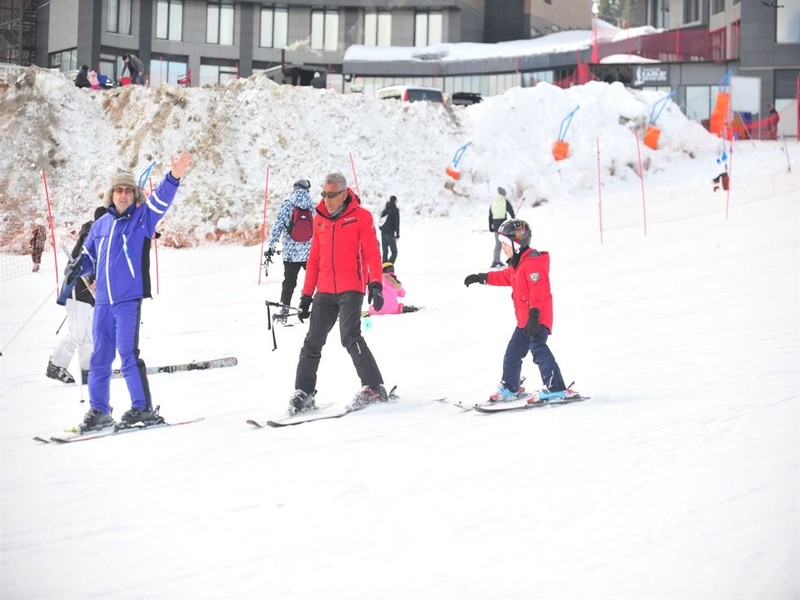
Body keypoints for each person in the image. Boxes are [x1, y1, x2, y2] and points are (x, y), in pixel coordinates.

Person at [58, 151, 193, 430]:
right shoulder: (100, 226)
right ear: (111, 195)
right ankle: (99, 410)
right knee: (99, 356)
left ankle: (142, 408)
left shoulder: (142, 219)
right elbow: (89, 259)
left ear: (134, 196)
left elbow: (161, 201)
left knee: (128, 353)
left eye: (127, 191)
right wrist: (77, 267)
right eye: (118, 190)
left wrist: (174, 176)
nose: (122, 195)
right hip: (103, 301)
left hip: (127, 300)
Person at [289, 171, 388, 414]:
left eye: (331, 194)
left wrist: (375, 283)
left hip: (351, 288)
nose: (326, 198)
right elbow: (314, 258)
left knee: (350, 337)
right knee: (312, 342)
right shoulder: (319, 217)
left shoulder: (361, 217)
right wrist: (305, 295)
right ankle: (304, 392)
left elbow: (371, 253)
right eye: (323, 193)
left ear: (344, 194)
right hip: (324, 289)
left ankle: (374, 387)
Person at [464, 218, 566, 400]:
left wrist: (534, 317)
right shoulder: (516, 265)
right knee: (512, 353)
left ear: (517, 243)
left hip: (537, 319)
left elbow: (538, 291)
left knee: (538, 349)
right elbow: (503, 277)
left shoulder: (532, 264)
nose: (502, 247)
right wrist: (481, 277)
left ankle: (556, 387)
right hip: (524, 321)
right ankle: (511, 387)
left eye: (505, 243)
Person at [47, 206, 107, 385]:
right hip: (76, 292)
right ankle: (56, 365)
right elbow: (83, 260)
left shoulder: (99, 236)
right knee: (78, 335)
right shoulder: (90, 236)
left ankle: (87, 370)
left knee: (89, 335)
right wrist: (94, 276)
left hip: (88, 296)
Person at [266, 179, 315, 322]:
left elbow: (277, 226)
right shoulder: (313, 206)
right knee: (315, 280)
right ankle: (323, 307)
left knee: (289, 282)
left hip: (290, 253)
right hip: (309, 253)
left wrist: (271, 246)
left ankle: (284, 310)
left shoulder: (287, 205)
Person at [489, 186, 515, 268]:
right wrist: (513, 219)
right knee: (509, 243)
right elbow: (511, 211)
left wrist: (490, 226)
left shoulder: (493, 202)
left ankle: (495, 261)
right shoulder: (504, 201)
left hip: (496, 226)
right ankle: (513, 260)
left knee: (498, 244)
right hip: (504, 226)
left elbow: (490, 215)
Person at [379, 195, 400, 264]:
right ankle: (389, 266)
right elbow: (397, 223)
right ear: (395, 201)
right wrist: (397, 235)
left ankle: (384, 268)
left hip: (382, 233)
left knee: (385, 252)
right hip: (390, 234)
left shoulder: (384, 211)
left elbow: (380, 222)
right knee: (394, 252)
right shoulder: (395, 210)